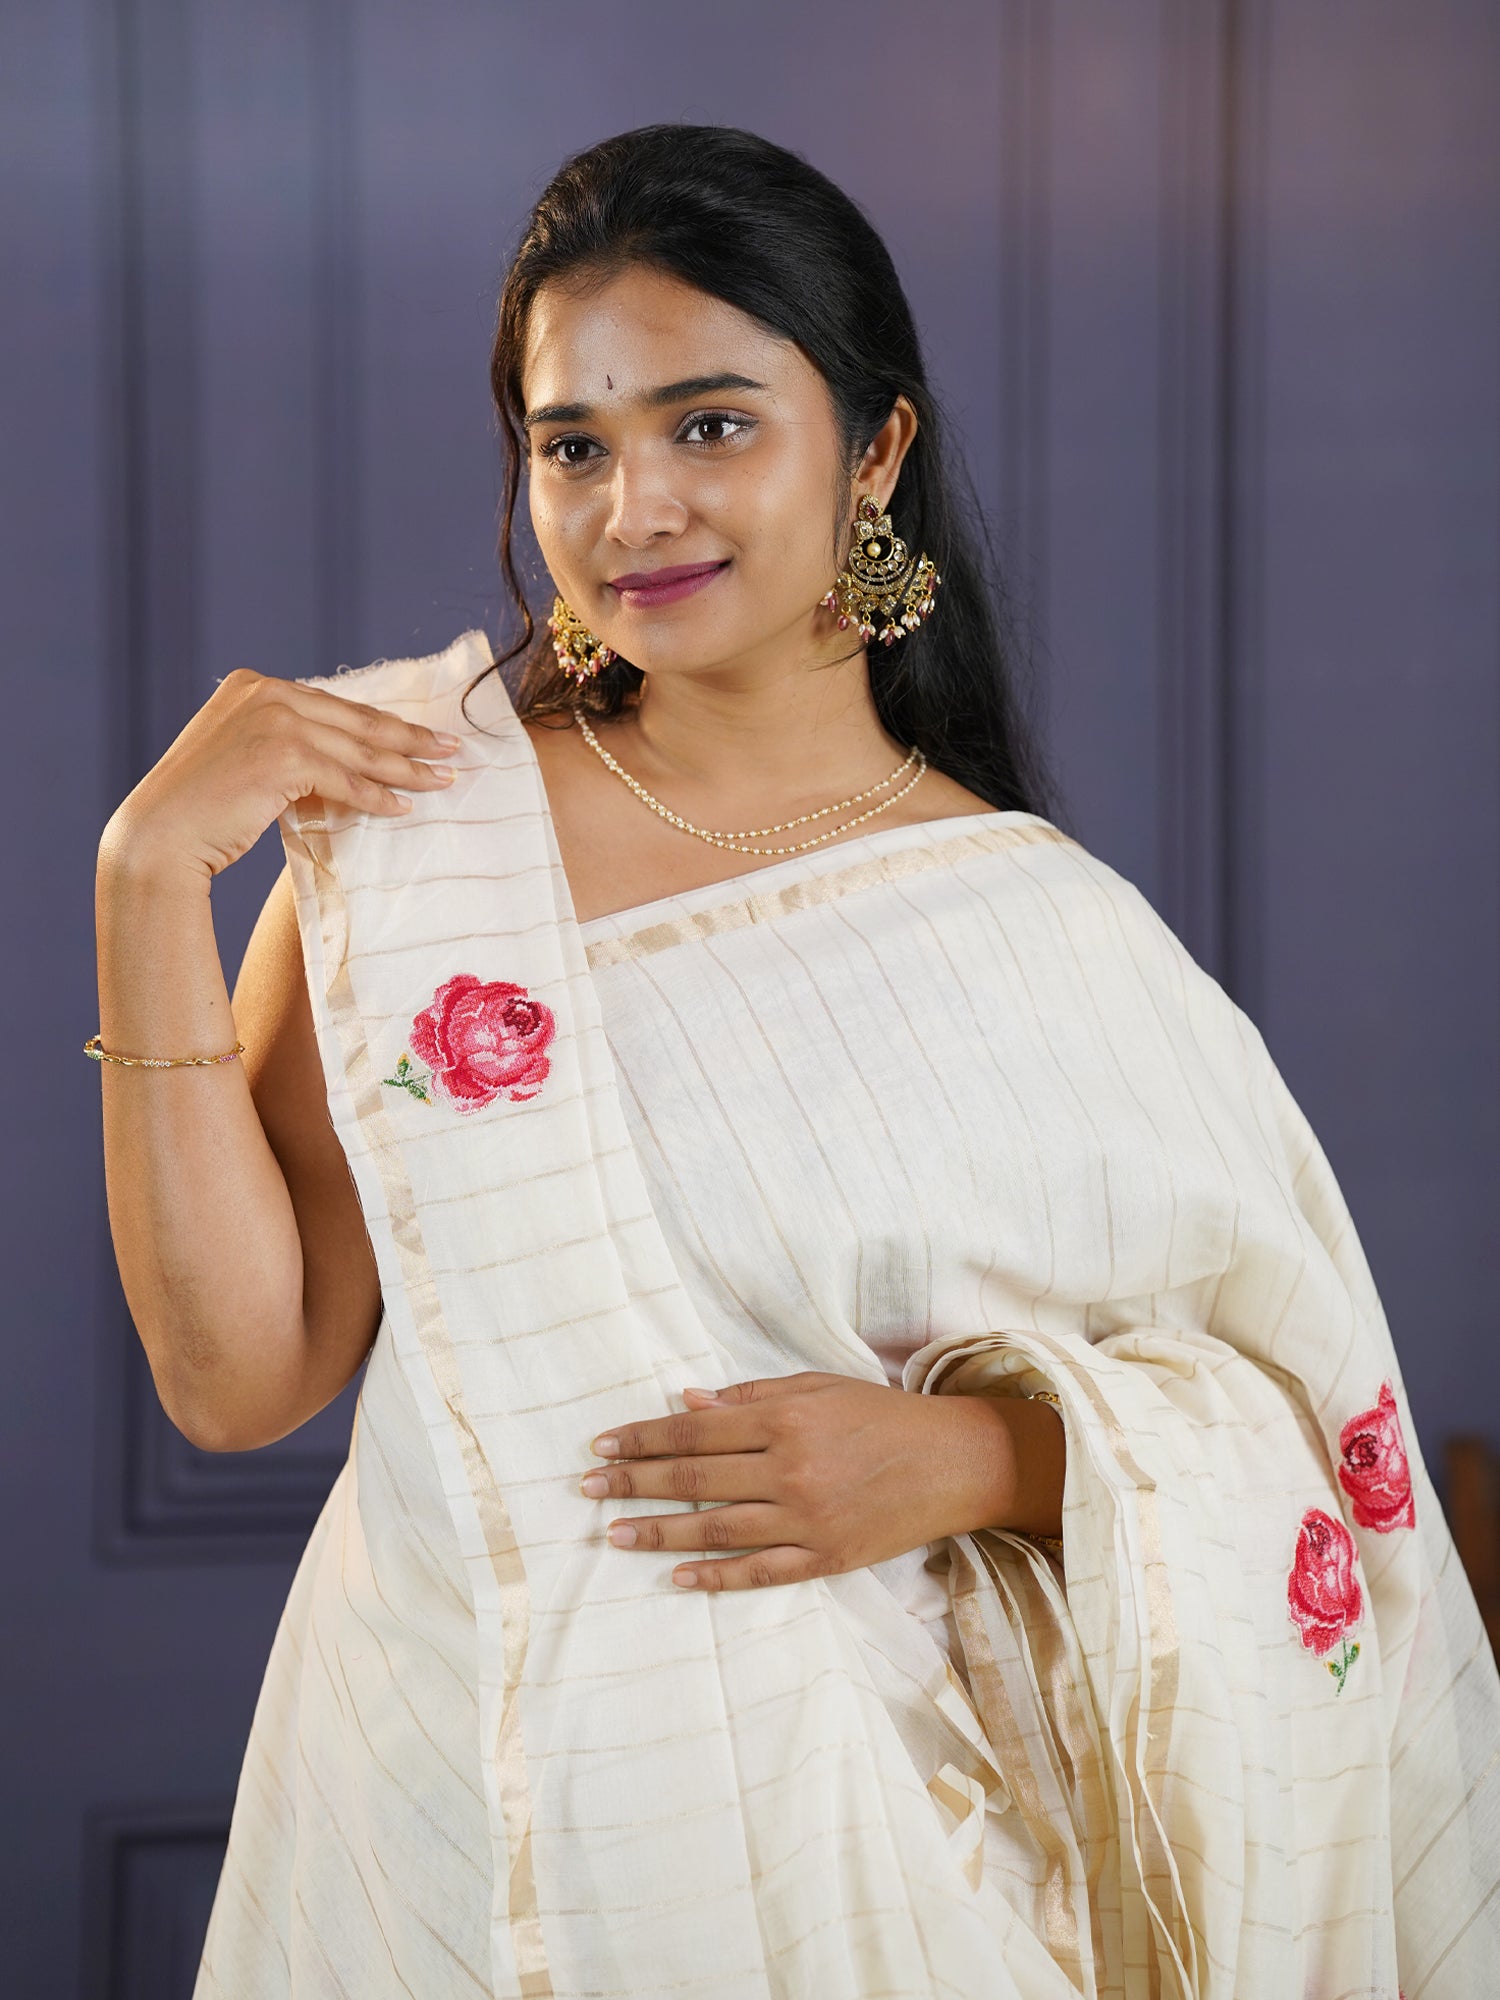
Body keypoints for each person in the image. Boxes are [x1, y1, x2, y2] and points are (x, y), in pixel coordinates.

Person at [91, 122, 1500, 1999]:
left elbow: (1318, 1460)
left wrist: (973, 1458)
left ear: (877, 448)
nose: (634, 509)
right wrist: (145, 882)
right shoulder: (422, 843)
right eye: (571, 446)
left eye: (713, 425)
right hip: (455, 1806)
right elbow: (236, 1378)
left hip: (905, 1871)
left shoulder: (1047, 926)